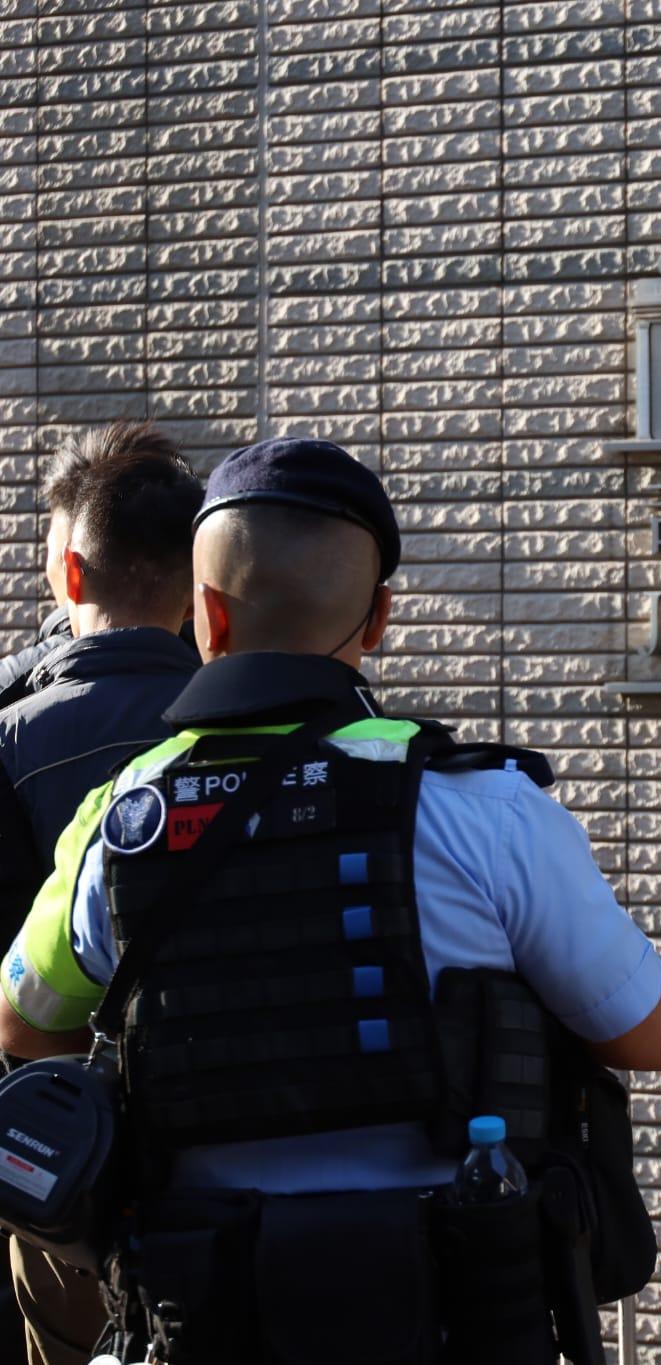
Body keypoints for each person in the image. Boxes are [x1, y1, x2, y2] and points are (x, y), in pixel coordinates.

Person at [0, 435, 661, 1364]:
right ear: (380, 618)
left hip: (208, 1312)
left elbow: (25, 1021)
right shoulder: (487, 809)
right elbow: (650, 1037)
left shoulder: (124, 820)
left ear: (207, 615)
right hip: (454, 1311)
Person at [0, 420, 204, 1365]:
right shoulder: (276, 728)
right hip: (241, 1154)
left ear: (71, 571)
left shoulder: (14, 735)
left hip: (55, 1165)